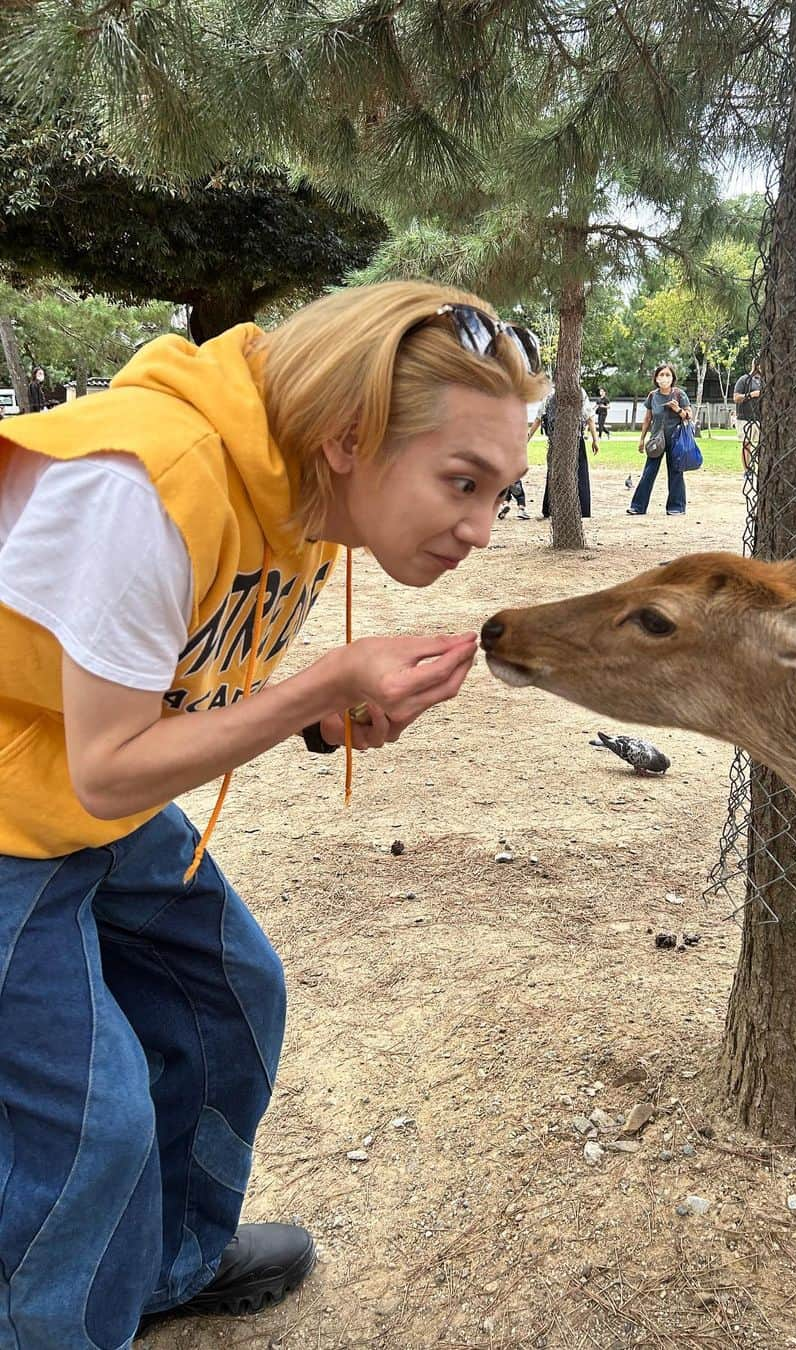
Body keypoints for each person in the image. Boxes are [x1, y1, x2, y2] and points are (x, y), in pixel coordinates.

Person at [0, 280, 544, 1348]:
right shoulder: (148, 486)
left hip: (69, 788)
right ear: (351, 436)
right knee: (87, 1129)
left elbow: (179, 686)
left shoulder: (303, 497)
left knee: (229, 998)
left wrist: (321, 721)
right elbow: (112, 768)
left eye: (502, 492)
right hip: (23, 813)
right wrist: (317, 684)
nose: (481, 529)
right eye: (462, 482)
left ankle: (162, 1266)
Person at [628, 364, 693, 516]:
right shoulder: (652, 396)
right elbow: (647, 418)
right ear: (656, 378)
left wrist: (678, 410)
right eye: (661, 375)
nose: (664, 378)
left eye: (667, 375)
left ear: (673, 378)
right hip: (656, 439)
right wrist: (642, 439)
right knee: (648, 472)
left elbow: (689, 415)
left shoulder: (679, 394)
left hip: (676, 439)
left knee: (676, 472)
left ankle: (676, 507)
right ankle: (638, 506)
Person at [530, 384, 599, 519]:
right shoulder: (564, 393)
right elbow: (589, 417)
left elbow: (539, 418)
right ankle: (581, 509)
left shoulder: (559, 393)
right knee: (576, 474)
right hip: (569, 440)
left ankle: (551, 508)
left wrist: (595, 439)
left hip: (563, 440)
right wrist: (595, 439)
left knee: (558, 474)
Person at [733, 361, 763, 470]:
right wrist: (751, 395)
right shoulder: (744, 380)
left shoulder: (764, 381)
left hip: (759, 418)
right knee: (747, 445)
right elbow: (736, 398)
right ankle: (747, 470)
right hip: (745, 418)